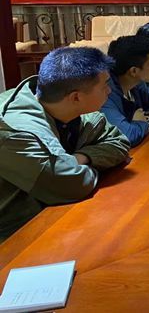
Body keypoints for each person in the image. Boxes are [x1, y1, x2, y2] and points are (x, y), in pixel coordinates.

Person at [0, 47, 130, 240]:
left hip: (51, 216)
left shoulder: (70, 110)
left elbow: (118, 141)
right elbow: (71, 184)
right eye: (104, 85)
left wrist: (80, 158)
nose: (109, 91)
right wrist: (79, 168)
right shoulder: (15, 132)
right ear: (76, 97)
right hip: (15, 235)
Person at [101, 35, 149, 147]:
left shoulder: (136, 83)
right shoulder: (105, 94)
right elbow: (126, 136)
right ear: (134, 71)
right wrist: (140, 122)